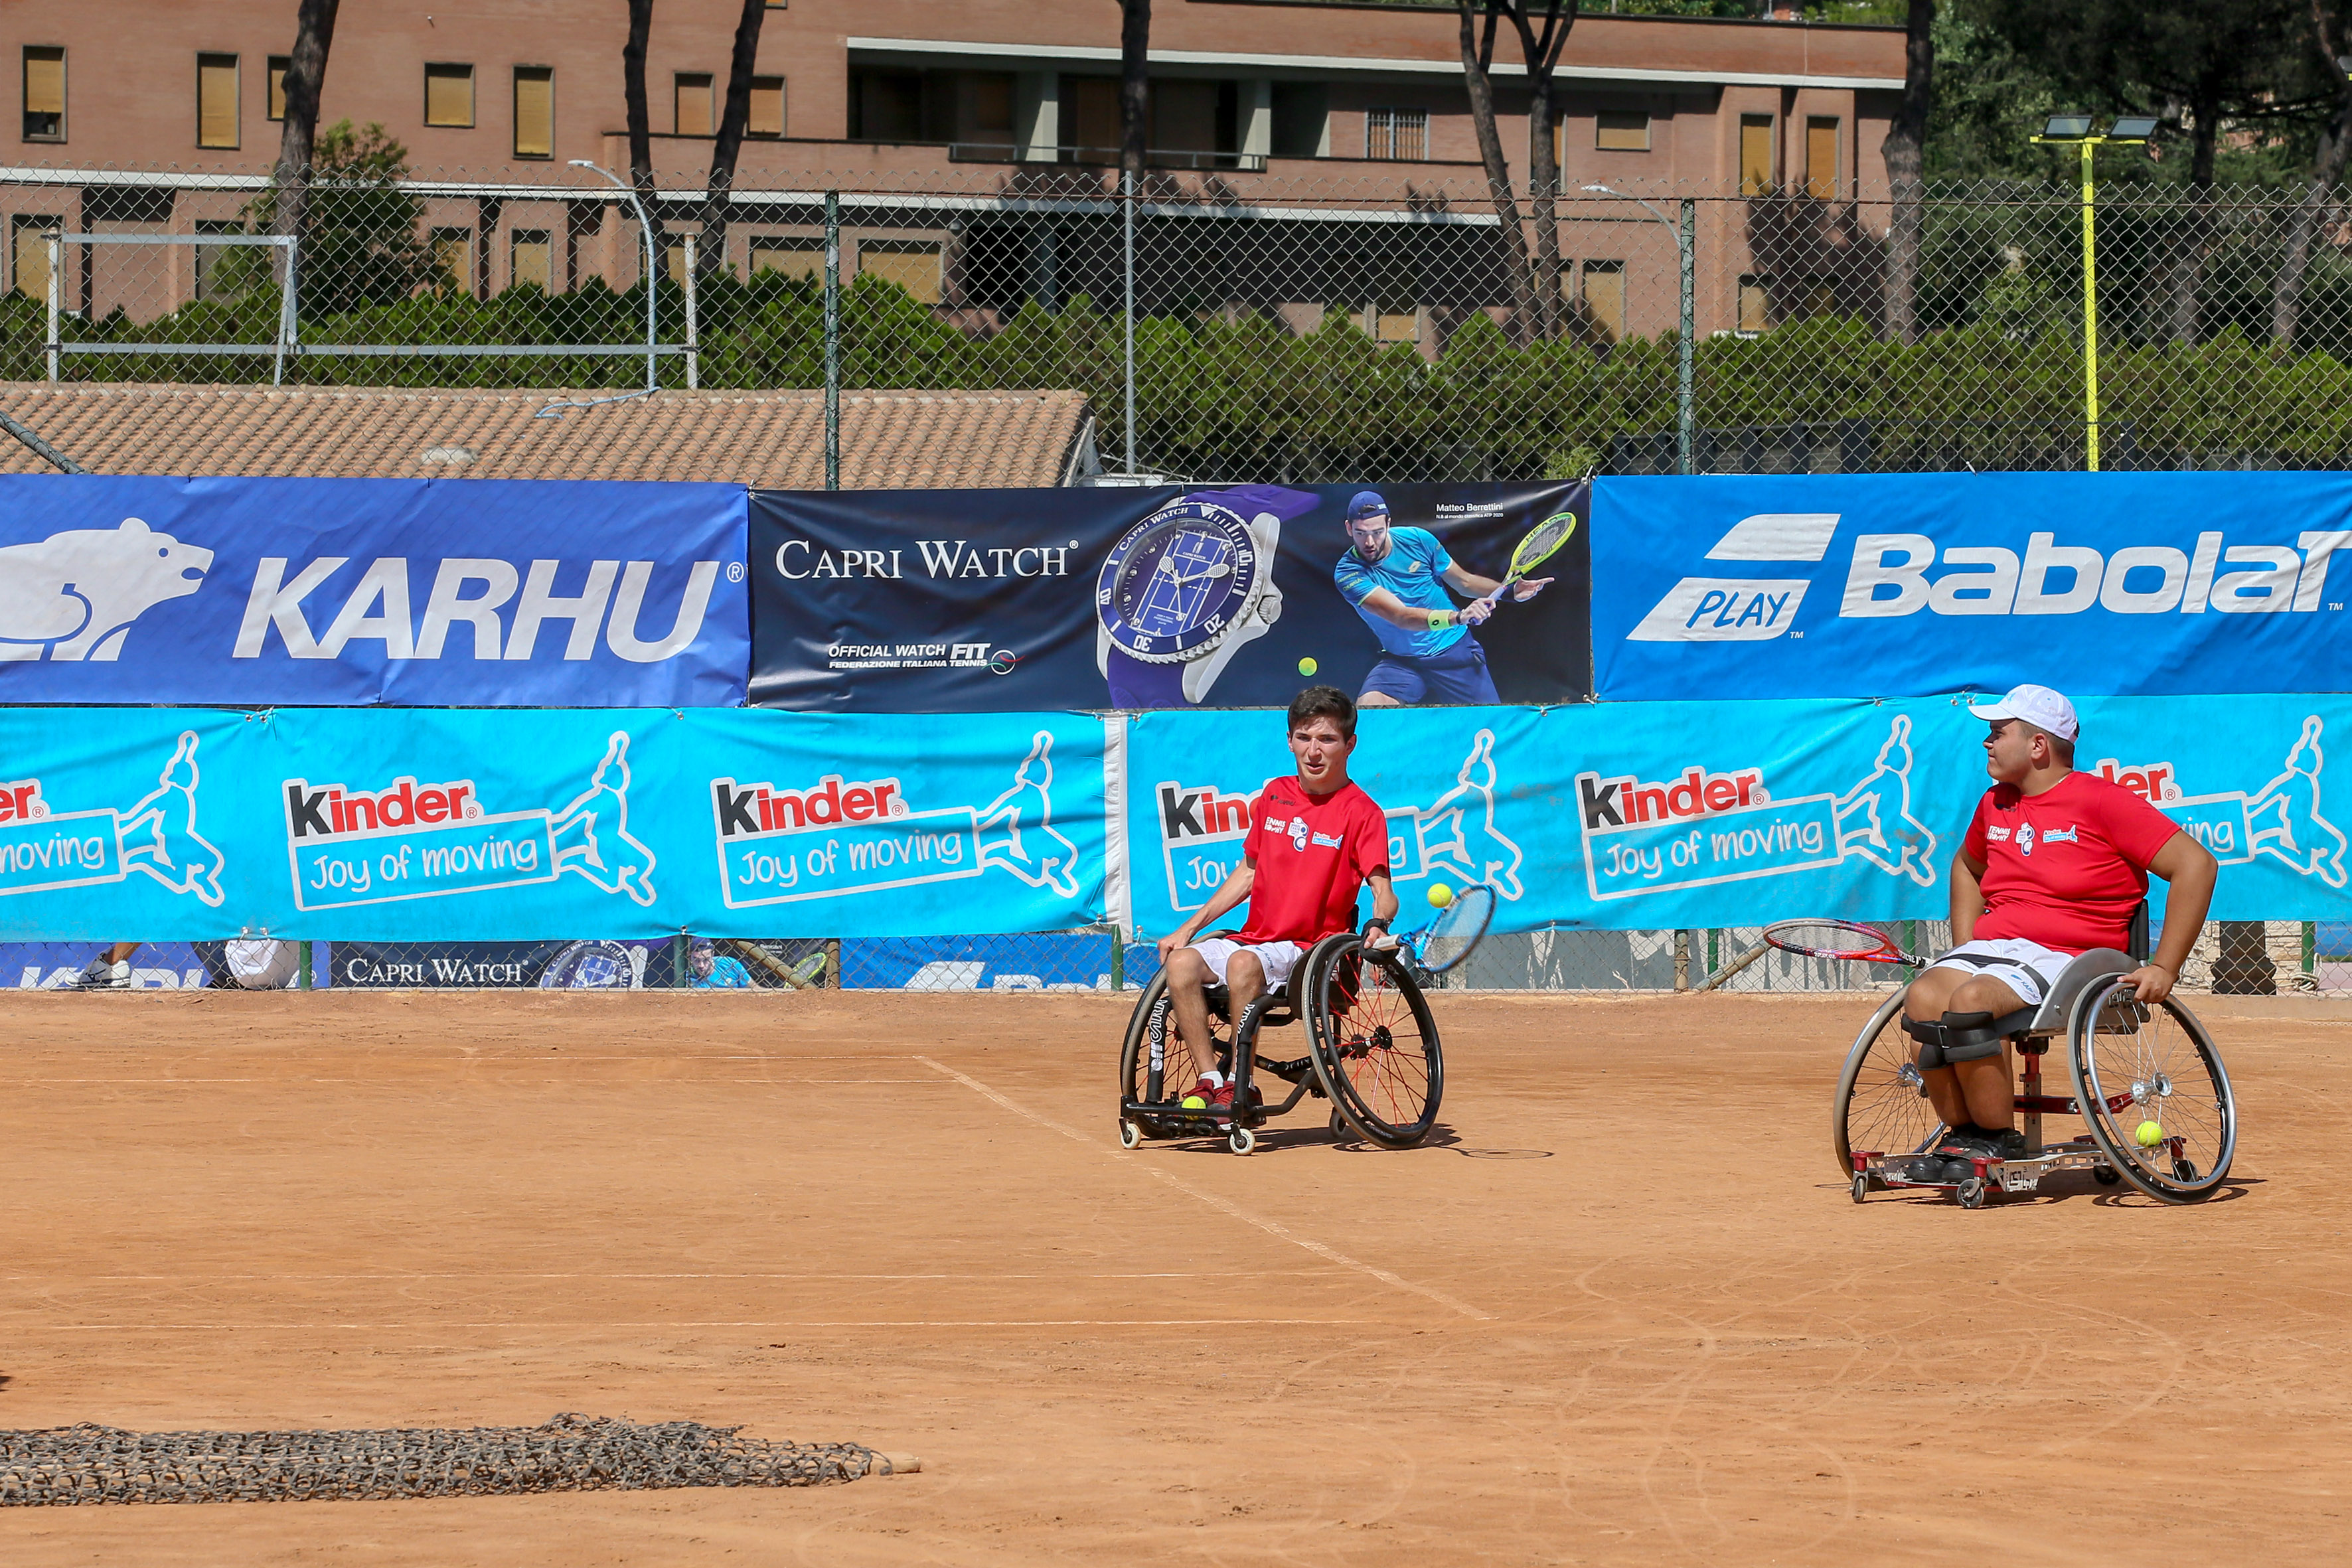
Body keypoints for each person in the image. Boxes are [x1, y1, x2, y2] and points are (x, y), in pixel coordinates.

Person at [1901, 683, 2218, 1178]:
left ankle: (1994, 1139)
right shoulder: (1993, 804)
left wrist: (2164, 966)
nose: (1986, 742)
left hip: (2069, 956)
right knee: (1921, 1000)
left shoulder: (2100, 800)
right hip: (1995, 948)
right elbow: (1966, 866)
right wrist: (1967, 944)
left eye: (1996, 733)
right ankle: (1965, 1139)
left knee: (1968, 1003)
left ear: (2037, 746)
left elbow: (2195, 865)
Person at [1155, 686, 1398, 1111]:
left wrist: (1378, 926)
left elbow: (1384, 892)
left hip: (1312, 949)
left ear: (1349, 745)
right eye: (1304, 738)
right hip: (1257, 937)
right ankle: (1211, 1080)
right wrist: (1187, 929)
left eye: (1327, 739)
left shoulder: (1363, 812)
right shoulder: (1274, 795)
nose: (1314, 751)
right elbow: (1249, 871)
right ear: (1290, 741)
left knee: (1242, 963)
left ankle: (1240, 1082)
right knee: (1181, 962)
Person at [1331, 491, 1549, 708]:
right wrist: (1459, 616)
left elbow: (1464, 582)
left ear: (1388, 523)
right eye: (1360, 533)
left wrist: (1509, 591)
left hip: (1453, 650)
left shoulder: (1418, 540)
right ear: (1349, 528)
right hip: (1402, 661)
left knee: (1490, 725)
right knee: (1370, 709)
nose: (1369, 541)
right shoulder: (1348, 573)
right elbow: (1401, 616)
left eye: (1377, 532)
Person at [687, 937, 754, 989]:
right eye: (696, 960)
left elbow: (754, 989)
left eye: (706, 960)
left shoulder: (730, 964)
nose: (701, 965)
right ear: (689, 956)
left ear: (713, 955)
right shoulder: (684, 977)